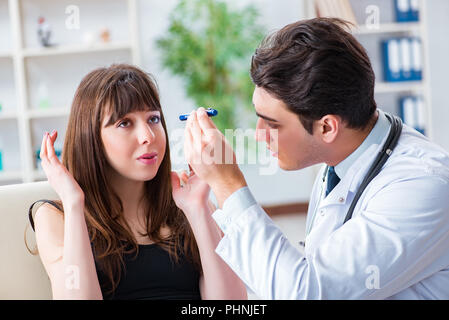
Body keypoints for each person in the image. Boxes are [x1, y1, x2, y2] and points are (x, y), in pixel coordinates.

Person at [182, 18, 449, 299]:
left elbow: (304, 292)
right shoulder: (343, 161)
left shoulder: (422, 186)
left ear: (327, 127)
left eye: (271, 124)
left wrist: (228, 183)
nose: (259, 135)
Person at [27, 64, 247, 300]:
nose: (148, 137)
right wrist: (73, 203)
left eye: (153, 119)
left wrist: (198, 208)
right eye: (124, 123)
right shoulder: (55, 216)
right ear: (90, 139)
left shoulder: (190, 206)